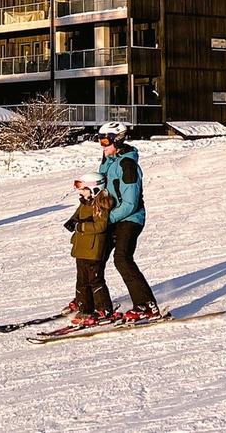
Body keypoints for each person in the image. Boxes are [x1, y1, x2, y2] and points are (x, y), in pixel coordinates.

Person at [96, 121, 161, 322]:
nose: (102, 145)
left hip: (131, 218)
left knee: (122, 258)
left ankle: (146, 305)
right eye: (100, 141)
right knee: (94, 256)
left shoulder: (128, 164)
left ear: (118, 140)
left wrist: (106, 219)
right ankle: (93, 302)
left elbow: (131, 203)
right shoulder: (108, 161)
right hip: (113, 217)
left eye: (105, 141)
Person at [62, 172, 117, 325]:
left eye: (83, 189)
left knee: (95, 280)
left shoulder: (101, 204)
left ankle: (104, 309)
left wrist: (81, 226)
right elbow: (77, 215)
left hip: (94, 249)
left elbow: (101, 226)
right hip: (81, 248)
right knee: (82, 280)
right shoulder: (85, 202)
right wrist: (72, 222)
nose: (80, 192)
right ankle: (85, 308)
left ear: (95, 189)